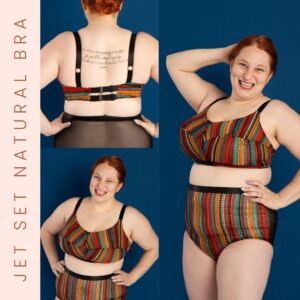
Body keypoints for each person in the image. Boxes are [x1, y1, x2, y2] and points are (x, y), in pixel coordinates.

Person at [166, 35, 300, 300]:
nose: (248, 75)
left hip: (245, 225)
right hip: (197, 225)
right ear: (231, 64)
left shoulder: (273, 111)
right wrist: (224, 51)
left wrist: (281, 198)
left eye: (259, 69)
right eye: (242, 64)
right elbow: (173, 63)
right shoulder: (209, 100)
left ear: (270, 76)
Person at [41, 0, 159, 147]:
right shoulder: (145, 44)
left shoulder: (63, 43)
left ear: (83, 4)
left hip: (75, 138)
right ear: (120, 5)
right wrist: (157, 129)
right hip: (134, 139)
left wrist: (46, 128)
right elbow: (173, 85)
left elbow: (20, 88)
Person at [41, 156, 159, 299]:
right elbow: (46, 231)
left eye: (109, 181)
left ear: (119, 186)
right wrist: (53, 261)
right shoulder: (71, 206)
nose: (100, 185)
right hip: (65, 292)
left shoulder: (130, 217)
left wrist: (133, 277)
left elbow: (154, 248)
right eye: (97, 177)